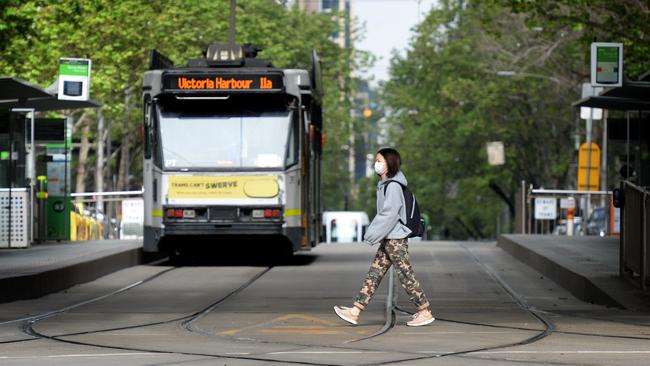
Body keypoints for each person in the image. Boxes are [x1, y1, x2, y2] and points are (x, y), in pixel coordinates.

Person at [334, 148, 434, 327]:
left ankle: (424, 311)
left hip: (395, 239)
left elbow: (389, 214)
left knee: (405, 274)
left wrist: (371, 233)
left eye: (379, 160)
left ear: (389, 164)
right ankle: (355, 311)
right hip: (389, 237)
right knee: (374, 273)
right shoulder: (386, 184)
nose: (376, 163)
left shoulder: (393, 186)